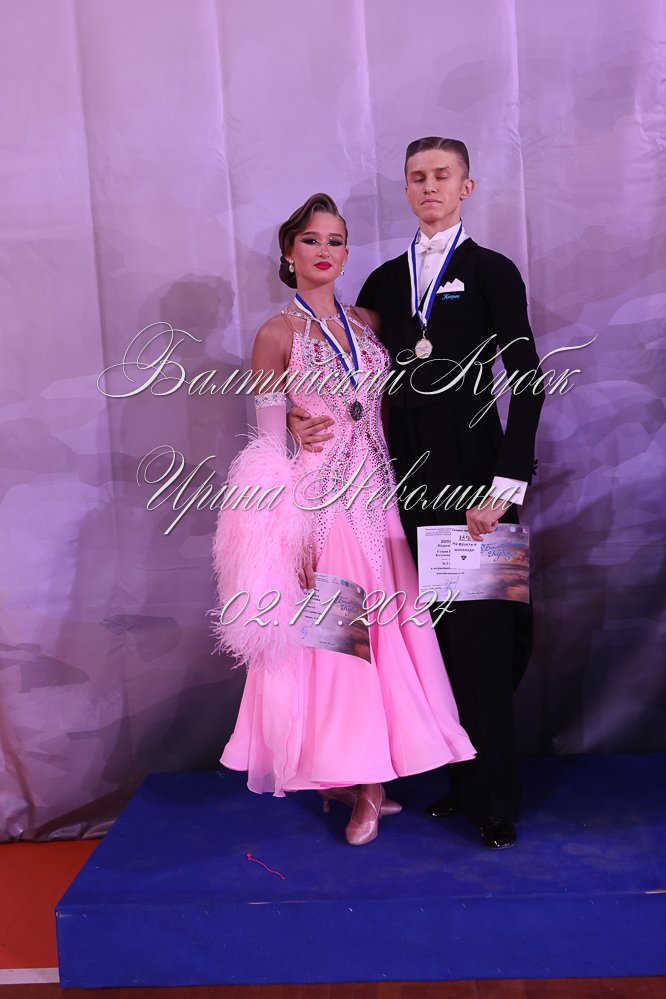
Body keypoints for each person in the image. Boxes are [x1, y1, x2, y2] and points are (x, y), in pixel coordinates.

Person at [289, 141, 543, 849]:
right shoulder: (380, 282)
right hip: (395, 493)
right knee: (430, 645)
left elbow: (527, 380)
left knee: (488, 641)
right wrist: (298, 417)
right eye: (417, 177)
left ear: (467, 186)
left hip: (478, 488)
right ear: (406, 189)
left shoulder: (492, 271)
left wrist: (504, 487)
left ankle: (495, 798)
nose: (429, 186)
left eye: (441, 176)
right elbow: (346, 374)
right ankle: (456, 783)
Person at [212, 193, 475, 846]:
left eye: (335, 241)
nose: (324, 251)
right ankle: (363, 785)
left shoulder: (367, 321)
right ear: (288, 253)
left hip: (378, 500)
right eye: (311, 240)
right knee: (340, 643)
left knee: (386, 633)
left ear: (346, 252)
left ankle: (362, 774)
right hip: (321, 506)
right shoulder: (276, 334)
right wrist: (287, 531)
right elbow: (268, 445)